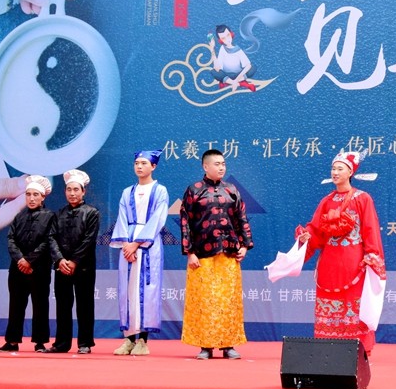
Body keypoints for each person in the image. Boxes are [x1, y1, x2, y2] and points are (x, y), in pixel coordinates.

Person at [296, 151, 385, 354]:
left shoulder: (363, 199)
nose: (335, 172)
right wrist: (306, 236)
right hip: (330, 261)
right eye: (333, 168)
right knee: (329, 301)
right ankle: (328, 345)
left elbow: (370, 229)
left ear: (350, 172)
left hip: (354, 262)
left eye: (340, 169)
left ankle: (357, 347)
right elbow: (316, 229)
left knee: (354, 302)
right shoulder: (327, 201)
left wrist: (371, 256)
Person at [180, 149, 253, 360]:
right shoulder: (194, 190)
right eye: (217, 164)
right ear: (206, 166)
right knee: (205, 301)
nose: (221, 167)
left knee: (228, 301)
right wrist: (189, 252)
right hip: (202, 255)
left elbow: (242, 218)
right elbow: (185, 222)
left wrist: (245, 246)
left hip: (228, 254)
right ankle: (205, 346)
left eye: (223, 164)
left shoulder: (231, 190)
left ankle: (228, 345)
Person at [110, 151, 169, 356]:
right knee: (127, 290)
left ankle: (143, 340)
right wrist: (126, 244)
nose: (139, 166)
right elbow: (122, 218)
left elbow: (158, 218)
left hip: (148, 245)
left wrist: (136, 244)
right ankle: (128, 339)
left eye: (144, 163)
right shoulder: (127, 192)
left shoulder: (160, 191)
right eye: (136, 163)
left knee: (146, 290)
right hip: (127, 244)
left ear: (153, 166)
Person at [0, 175, 56, 353]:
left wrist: (29, 260)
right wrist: (20, 259)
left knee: (40, 305)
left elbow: (48, 241)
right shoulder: (19, 216)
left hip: (40, 269)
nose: (31, 198)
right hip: (17, 268)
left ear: (43, 197)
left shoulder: (50, 217)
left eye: (35, 194)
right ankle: (12, 341)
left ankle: (40, 342)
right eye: (28, 194)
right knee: (15, 304)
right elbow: (11, 239)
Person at [45, 169, 100, 354]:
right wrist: (60, 260)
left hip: (84, 267)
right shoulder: (58, 214)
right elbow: (51, 238)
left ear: (83, 191)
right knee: (62, 305)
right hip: (62, 267)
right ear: (65, 192)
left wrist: (74, 261)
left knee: (85, 304)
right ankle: (62, 343)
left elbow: (89, 240)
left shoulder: (92, 213)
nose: (72, 193)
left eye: (76, 189)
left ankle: (85, 343)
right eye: (69, 189)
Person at [210, 24, 256, 92]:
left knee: (253, 67)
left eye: (228, 35)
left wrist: (236, 80)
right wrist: (212, 48)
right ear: (220, 40)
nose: (227, 39)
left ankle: (231, 82)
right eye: (223, 38)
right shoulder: (222, 49)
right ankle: (237, 83)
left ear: (231, 34)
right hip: (227, 75)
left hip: (239, 75)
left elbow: (248, 65)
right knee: (213, 71)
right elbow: (217, 68)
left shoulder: (238, 50)